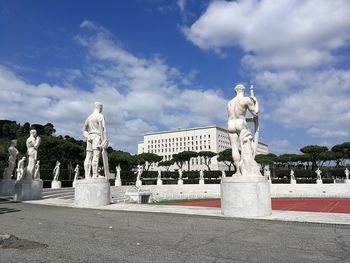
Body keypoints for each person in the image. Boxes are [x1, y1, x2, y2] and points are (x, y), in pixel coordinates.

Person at [227, 84, 260, 175]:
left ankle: (238, 170)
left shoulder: (229, 102)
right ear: (244, 91)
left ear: (235, 91)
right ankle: (246, 169)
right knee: (247, 144)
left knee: (234, 147)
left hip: (230, 124)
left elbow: (234, 116)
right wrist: (256, 101)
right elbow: (255, 112)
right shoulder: (246, 99)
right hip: (240, 123)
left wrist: (250, 120)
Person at [83, 102, 108, 179]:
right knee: (96, 155)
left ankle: (87, 175)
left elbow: (84, 130)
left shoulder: (89, 117)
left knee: (88, 156)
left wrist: (86, 135)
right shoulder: (100, 116)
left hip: (89, 136)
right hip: (97, 136)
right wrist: (105, 140)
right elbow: (104, 129)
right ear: (100, 108)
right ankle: (95, 174)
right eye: (101, 108)